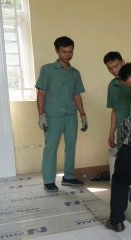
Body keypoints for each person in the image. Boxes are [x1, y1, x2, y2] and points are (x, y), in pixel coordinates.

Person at [36, 36, 88, 192]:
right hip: (53, 115)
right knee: (51, 147)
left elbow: (77, 95)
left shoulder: (75, 73)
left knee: (71, 146)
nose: (68, 55)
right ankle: (49, 180)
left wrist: (83, 115)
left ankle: (69, 177)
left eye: (70, 51)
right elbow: (41, 94)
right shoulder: (47, 70)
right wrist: (41, 115)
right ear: (57, 51)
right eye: (64, 52)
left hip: (71, 115)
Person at [103, 51, 131, 149]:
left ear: (123, 62)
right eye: (110, 68)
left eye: (116, 66)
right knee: (123, 160)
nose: (114, 70)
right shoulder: (112, 86)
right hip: (122, 131)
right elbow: (115, 111)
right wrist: (111, 133)